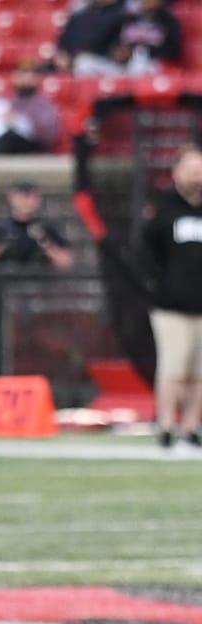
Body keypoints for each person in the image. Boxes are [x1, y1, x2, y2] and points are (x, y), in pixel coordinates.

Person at [140, 145, 202, 452]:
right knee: (174, 368)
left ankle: (192, 429)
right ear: (176, 173)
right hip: (171, 306)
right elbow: (146, 253)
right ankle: (166, 426)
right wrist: (162, 286)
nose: (196, 175)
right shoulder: (164, 211)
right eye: (191, 168)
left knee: (198, 373)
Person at [0, 179, 75, 272]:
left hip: (39, 285)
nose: (26, 202)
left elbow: (66, 262)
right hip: (7, 285)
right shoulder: (1, 228)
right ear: (12, 198)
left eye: (30, 197)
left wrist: (48, 248)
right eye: (22, 197)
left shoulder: (47, 228)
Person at [0, 59, 62, 156]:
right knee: (6, 139)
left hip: (31, 150)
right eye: (22, 74)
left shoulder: (44, 105)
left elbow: (47, 137)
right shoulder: (5, 101)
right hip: (1, 146)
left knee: (11, 138)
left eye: (29, 75)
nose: (26, 78)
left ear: (36, 79)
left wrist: (18, 121)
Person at [52, 0, 127, 77]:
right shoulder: (79, 15)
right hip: (76, 62)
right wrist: (63, 57)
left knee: (84, 63)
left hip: (110, 65)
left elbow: (122, 50)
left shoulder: (121, 13)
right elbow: (63, 44)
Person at [114, 0, 183, 76]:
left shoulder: (168, 21)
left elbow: (173, 50)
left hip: (154, 63)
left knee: (139, 63)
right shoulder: (129, 18)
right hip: (123, 63)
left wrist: (141, 51)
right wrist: (120, 51)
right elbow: (118, 42)